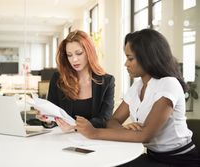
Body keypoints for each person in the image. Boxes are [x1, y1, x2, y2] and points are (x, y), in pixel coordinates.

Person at [75, 29, 200, 166]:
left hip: (180, 160)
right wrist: (125, 131)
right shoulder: (137, 86)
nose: (126, 64)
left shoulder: (168, 83)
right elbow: (113, 121)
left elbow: (145, 135)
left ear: (148, 58)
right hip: (153, 157)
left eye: (130, 58)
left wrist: (94, 133)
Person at [36, 30, 115, 132]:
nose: (74, 60)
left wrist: (74, 126)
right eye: (69, 55)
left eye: (79, 53)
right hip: (64, 141)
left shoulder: (107, 81)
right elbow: (53, 118)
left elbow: (104, 119)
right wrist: (47, 120)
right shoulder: (58, 79)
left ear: (89, 52)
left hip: (95, 142)